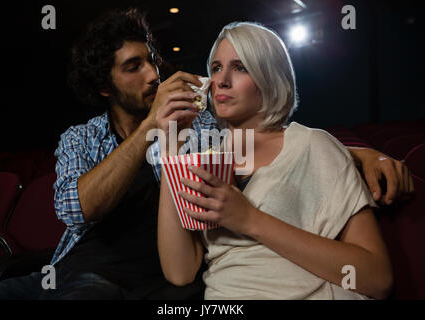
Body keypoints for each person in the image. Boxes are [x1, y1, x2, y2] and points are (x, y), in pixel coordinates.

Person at [0, 9, 412, 300]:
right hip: (67, 267)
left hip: (129, 284)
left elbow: (274, 132)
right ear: (104, 88)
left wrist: (358, 153)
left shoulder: (203, 129)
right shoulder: (87, 138)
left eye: (152, 60)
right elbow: (75, 209)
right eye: (133, 67)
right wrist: (155, 135)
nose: (154, 74)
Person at [157, 22, 414, 300]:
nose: (221, 80)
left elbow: (376, 277)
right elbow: (179, 272)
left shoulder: (313, 145)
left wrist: (249, 219)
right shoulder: (206, 159)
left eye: (240, 67)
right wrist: (170, 148)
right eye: (216, 68)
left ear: (270, 77)